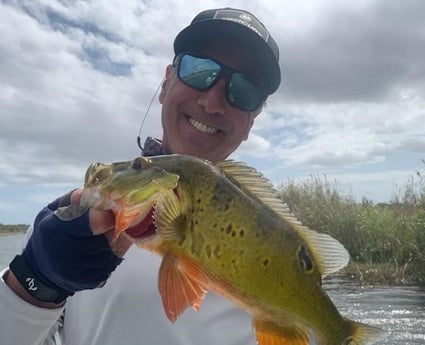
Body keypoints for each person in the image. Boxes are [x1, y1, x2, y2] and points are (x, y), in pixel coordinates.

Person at [0, 7, 281, 345]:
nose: (212, 101)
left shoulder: (280, 246)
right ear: (166, 83)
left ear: (252, 120)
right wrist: (34, 281)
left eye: (245, 89)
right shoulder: (70, 224)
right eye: (199, 70)